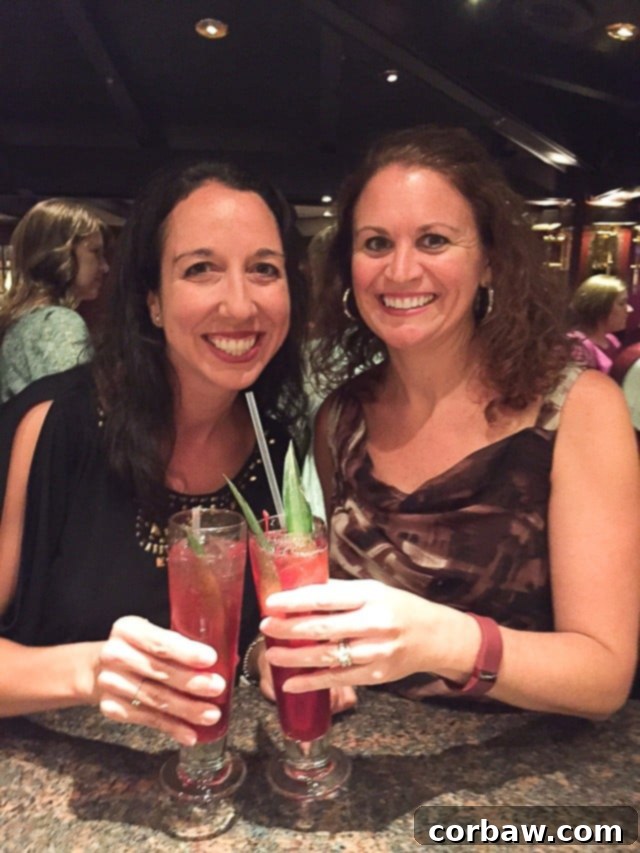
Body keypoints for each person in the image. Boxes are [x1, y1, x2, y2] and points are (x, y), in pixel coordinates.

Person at [258, 125, 640, 719]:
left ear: (490, 262)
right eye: (376, 243)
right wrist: (289, 651)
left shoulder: (579, 411)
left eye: (433, 240)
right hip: (363, 764)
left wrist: (442, 641)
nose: (401, 270)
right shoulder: (339, 420)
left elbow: (604, 677)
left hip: (517, 789)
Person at [0, 160, 310, 745]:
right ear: (153, 302)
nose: (241, 306)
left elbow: (243, 639)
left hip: (213, 781)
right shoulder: (53, 426)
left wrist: (264, 658)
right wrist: (89, 672)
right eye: (201, 270)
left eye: (264, 270)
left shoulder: (276, 449)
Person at [0, 199, 110, 402]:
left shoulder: (25, 321)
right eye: (95, 252)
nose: (105, 267)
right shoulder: (56, 322)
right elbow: (76, 418)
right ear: (60, 254)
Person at [568, 274, 631, 374]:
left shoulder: (612, 341)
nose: (629, 310)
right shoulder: (577, 346)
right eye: (621, 304)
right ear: (601, 307)